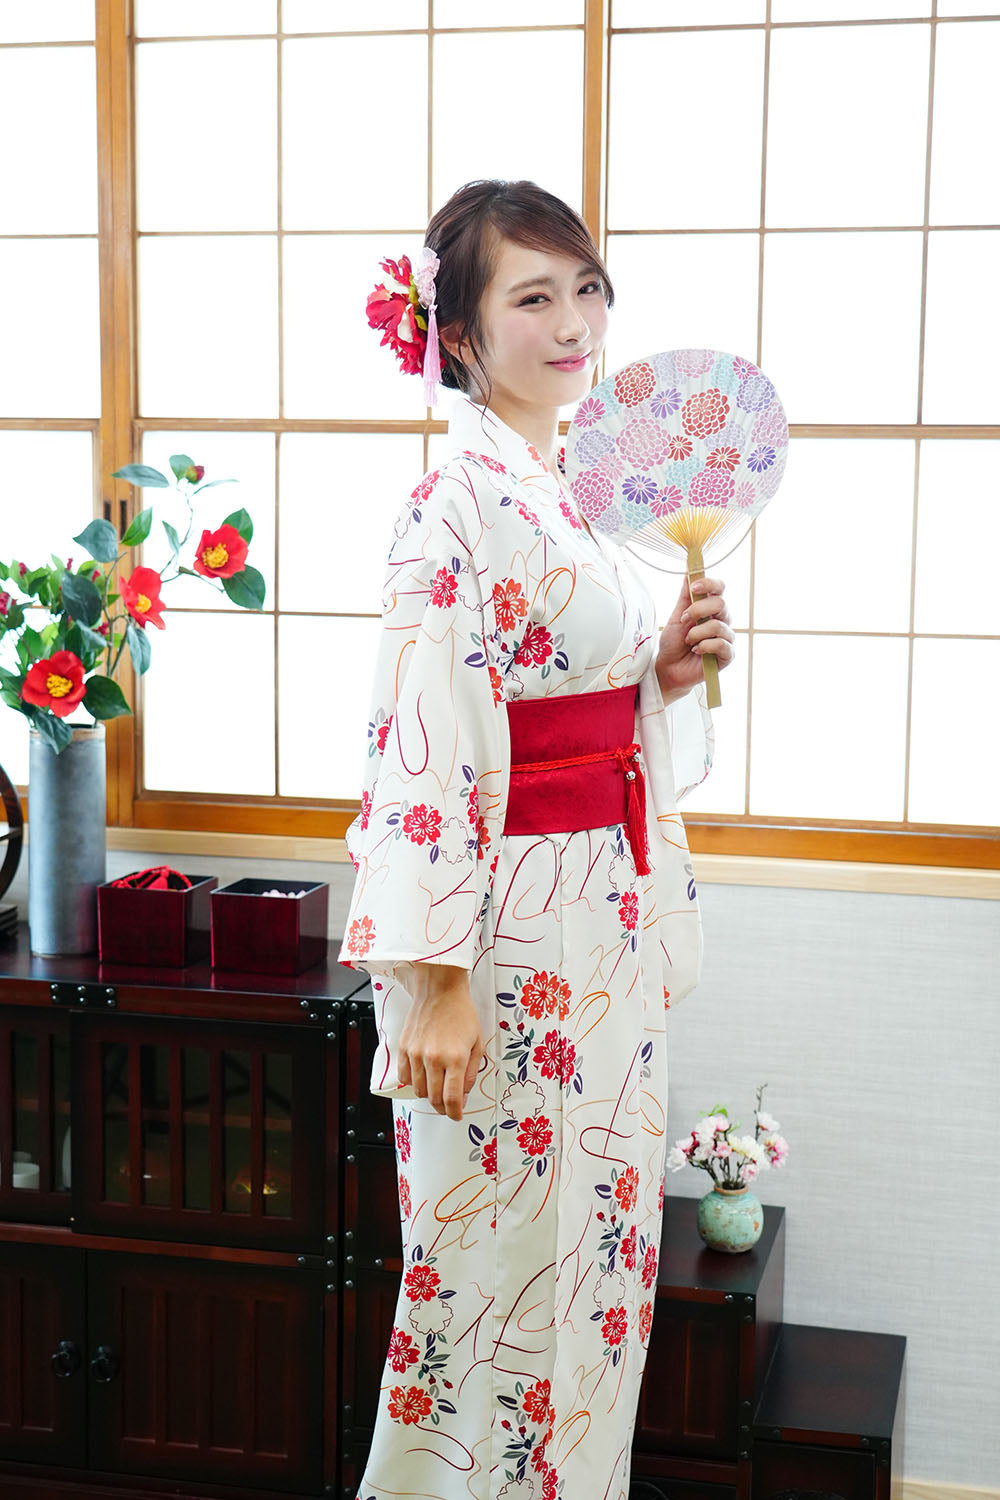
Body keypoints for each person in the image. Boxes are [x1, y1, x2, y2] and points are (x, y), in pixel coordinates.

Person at [339, 179, 735, 1500]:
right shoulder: (451, 504)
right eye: (534, 296)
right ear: (459, 335)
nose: (575, 324)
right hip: (504, 945)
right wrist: (436, 983)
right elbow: (423, 745)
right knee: (491, 1278)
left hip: (601, 921)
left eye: (587, 290)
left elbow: (564, 700)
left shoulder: (569, 490)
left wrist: (659, 675)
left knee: (598, 1264)